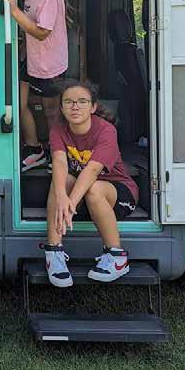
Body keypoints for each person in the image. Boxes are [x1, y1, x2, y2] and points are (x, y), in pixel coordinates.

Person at [44, 80, 139, 287]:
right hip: (82, 196)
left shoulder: (106, 130)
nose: (75, 106)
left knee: (93, 189)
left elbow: (92, 170)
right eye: (68, 102)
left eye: (82, 101)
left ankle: (116, 256)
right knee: (60, 182)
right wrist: (61, 196)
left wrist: (69, 204)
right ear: (62, 108)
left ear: (93, 107)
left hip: (116, 194)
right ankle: (54, 253)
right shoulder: (58, 130)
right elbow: (59, 161)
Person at [2, 0, 69, 172]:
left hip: (48, 64)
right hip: (29, 58)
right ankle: (35, 149)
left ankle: (58, 156)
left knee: (51, 113)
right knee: (19, 104)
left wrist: (14, 10)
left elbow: (41, 32)